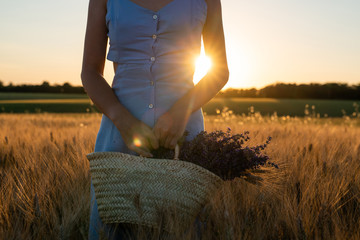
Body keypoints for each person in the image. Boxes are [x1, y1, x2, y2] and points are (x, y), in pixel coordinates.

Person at [81, 0, 229, 238]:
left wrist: (181, 112)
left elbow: (220, 70)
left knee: (183, 228)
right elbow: (89, 72)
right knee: (112, 228)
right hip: (120, 137)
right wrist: (122, 120)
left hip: (183, 138)